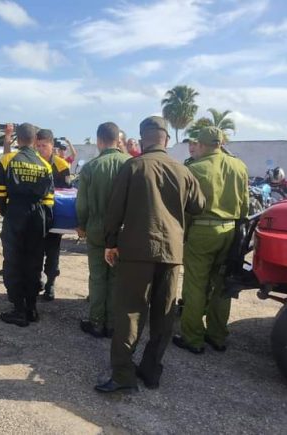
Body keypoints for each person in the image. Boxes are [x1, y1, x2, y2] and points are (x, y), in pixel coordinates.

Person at [96, 116, 205, 393]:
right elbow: (199, 206)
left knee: (130, 312)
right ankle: (151, 371)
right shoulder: (183, 171)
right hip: (171, 253)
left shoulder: (132, 166)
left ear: (142, 139)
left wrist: (110, 242)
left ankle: (122, 375)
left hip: (136, 251)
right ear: (166, 140)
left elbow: (114, 209)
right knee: (163, 315)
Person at [173, 127, 249, 354]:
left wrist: (182, 235)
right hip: (231, 231)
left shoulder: (195, 168)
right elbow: (245, 205)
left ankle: (193, 338)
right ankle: (217, 335)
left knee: (196, 285)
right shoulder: (239, 166)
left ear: (203, 145)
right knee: (222, 284)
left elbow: (185, 209)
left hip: (203, 232)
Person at [0, 123, 54, 326]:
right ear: (34, 139)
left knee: (13, 261)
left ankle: (18, 310)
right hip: (37, 216)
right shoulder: (45, 164)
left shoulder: (8, 159)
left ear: (17, 139)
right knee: (34, 261)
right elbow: (49, 201)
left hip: (16, 213)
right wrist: (42, 223)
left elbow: (1, 193)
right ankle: (32, 309)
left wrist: (7, 213)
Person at [77, 122, 130, 338]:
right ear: (118, 140)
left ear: (99, 141)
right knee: (117, 277)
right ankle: (113, 323)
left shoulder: (90, 167)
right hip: (124, 230)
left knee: (98, 276)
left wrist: (81, 224)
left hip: (97, 228)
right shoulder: (131, 164)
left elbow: (82, 204)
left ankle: (97, 321)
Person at [35, 128, 71, 301]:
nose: (41, 149)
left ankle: (50, 283)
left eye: (44, 145)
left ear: (51, 145)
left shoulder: (61, 165)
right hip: (35, 216)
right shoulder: (32, 162)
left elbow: (67, 192)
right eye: (38, 145)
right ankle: (37, 281)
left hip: (54, 217)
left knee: (52, 252)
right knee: (35, 251)